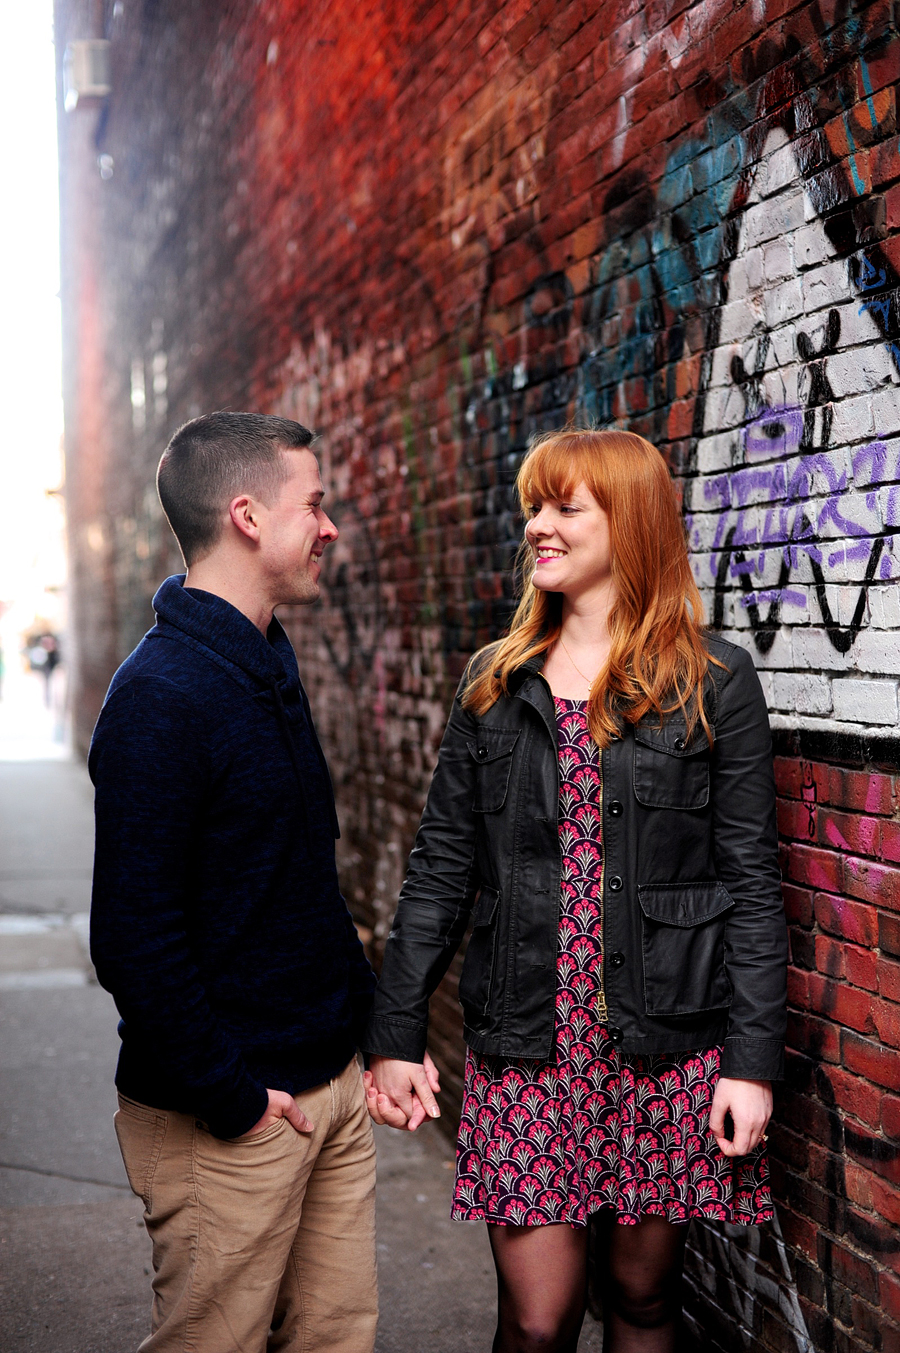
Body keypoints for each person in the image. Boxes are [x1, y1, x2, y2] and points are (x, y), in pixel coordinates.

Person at [363, 428, 787, 1353]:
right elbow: (440, 867)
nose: (538, 528)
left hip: (667, 1044)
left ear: (627, 522)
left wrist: (752, 1063)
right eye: (534, 507)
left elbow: (752, 883)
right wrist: (394, 1033)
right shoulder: (496, 682)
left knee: (641, 1302)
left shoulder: (713, 682)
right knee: (539, 1317)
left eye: (565, 508)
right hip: (529, 1045)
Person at [89, 412, 378, 1353]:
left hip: (327, 1088)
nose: (330, 526)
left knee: (335, 1339)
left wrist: (364, 1033)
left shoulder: (264, 658)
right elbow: (134, 937)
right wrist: (238, 1100)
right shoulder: (161, 695)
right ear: (249, 516)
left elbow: (297, 877)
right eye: (316, 504)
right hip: (236, 1112)